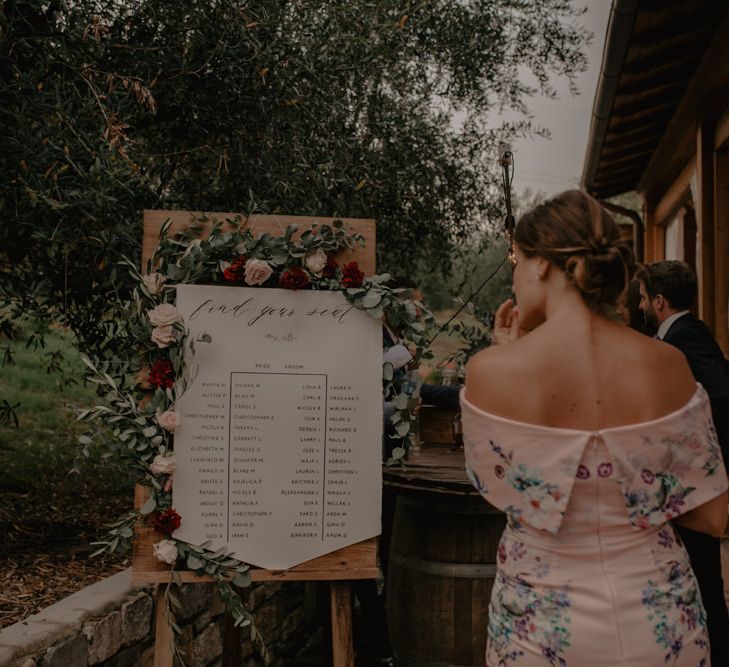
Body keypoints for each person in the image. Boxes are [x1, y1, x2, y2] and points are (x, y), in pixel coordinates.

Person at [462, 190, 728, 666]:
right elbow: (713, 516)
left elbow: (500, 492)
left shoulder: (491, 372)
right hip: (660, 620)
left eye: (516, 262)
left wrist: (507, 355)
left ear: (542, 265)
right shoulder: (669, 365)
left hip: (541, 627)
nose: (515, 277)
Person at [637, 259, 729, 666]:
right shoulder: (687, 331)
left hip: (699, 474)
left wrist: (697, 444)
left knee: (705, 573)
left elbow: (721, 392)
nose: (639, 305)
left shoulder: (683, 336)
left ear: (659, 300)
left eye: (642, 298)